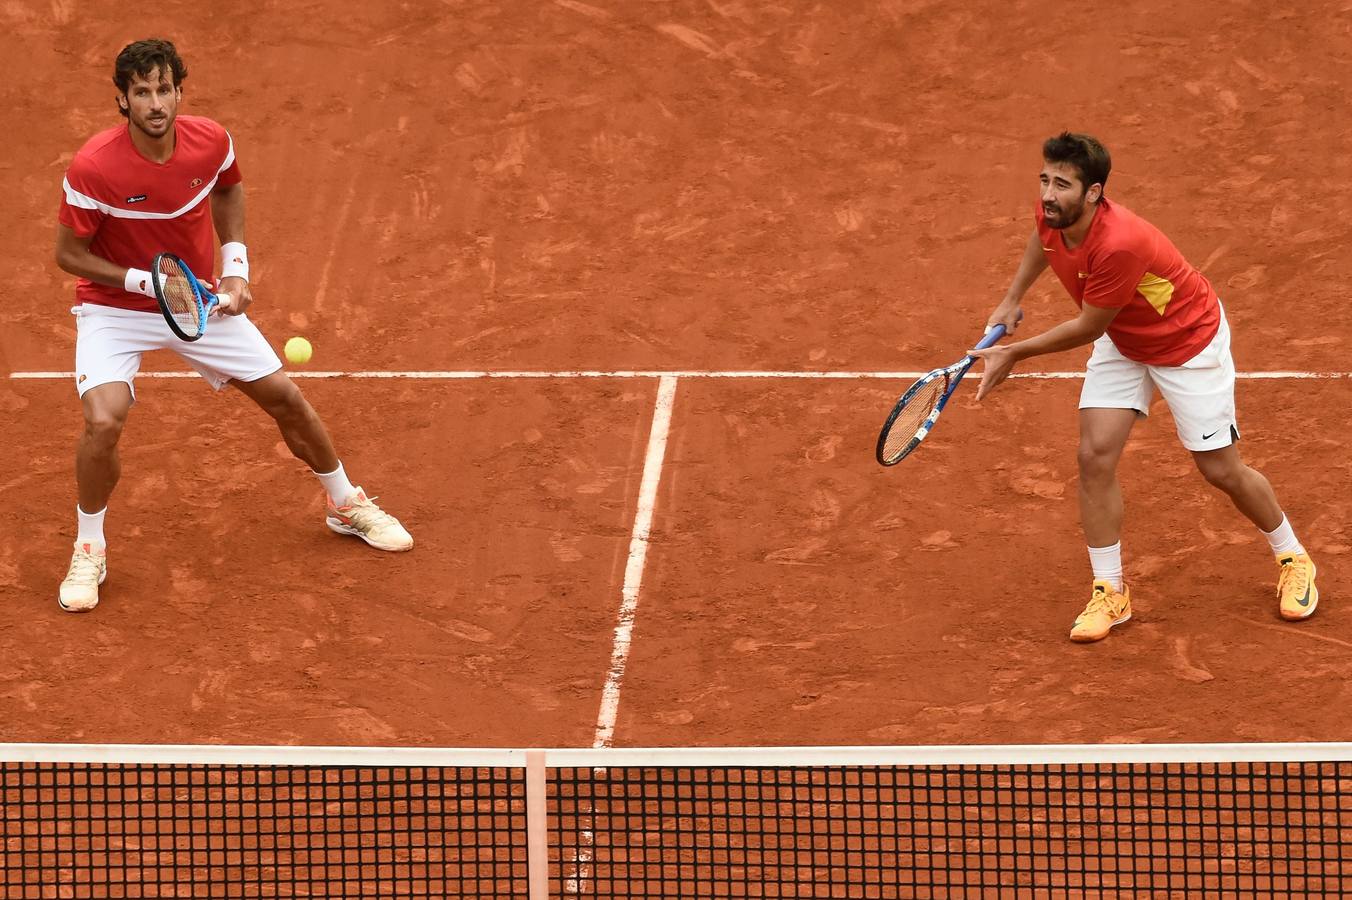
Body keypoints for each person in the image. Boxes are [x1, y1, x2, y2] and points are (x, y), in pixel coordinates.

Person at [54, 39, 413, 613]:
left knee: (286, 399)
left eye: (164, 89)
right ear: (122, 100)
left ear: (178, 91)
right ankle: (89, 546)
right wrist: (148, 284)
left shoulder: (210, 142)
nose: (155, 103)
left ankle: (346, 503)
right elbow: (69, 256)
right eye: (141, 92)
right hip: (116, 306)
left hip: (198, 302)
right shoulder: (94, 167)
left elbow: (227, 187)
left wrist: (236, 268)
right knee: (103, 422)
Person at [968, 132, 1316, 642]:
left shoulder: (1119, 243)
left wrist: (1015, 352)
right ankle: (1111, 593)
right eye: (1045, 179)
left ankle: (1293, 557)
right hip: (1125, 339)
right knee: (1094, 456)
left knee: (1221, 469)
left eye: (1063, 184)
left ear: (1094, 193)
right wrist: (1011, 297)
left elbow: (1088, 326)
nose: (1048, 194)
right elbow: (1042, 242)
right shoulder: (1053, 213)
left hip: (1187, 343)